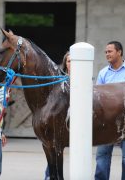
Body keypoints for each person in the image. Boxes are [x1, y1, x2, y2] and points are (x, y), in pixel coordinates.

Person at [95, 41, 125, 180]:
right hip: (106, 123)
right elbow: (97, 98)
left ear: (119, 52)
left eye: (109, 51)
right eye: (105, 52)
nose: (107, 54)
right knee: (102, 155)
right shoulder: (103, 73)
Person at [44, 51, 70, 180]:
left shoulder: (84, 78)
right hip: (59, 121)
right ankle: (49, 176)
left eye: (74, 61)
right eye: (69, 61)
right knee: (52, 151)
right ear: (65, 63)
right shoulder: (59, 80)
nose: (72, 64)